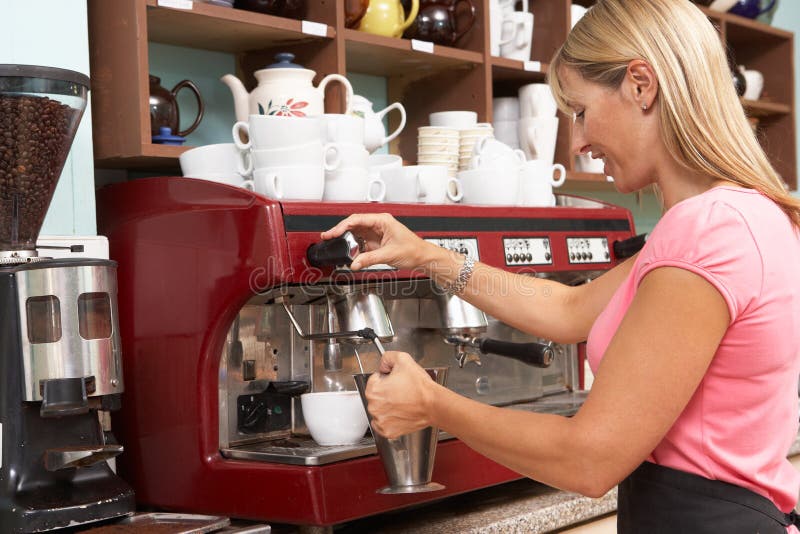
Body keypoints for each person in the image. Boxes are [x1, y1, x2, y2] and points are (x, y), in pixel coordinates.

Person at [321, 0, 800, 531]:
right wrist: (427, 255)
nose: (578, 142)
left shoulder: (708, 230)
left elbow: (591, 459)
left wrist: (432, 405)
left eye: (579, 111)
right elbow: (572, 307)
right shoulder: (744, 213)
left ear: (642, 84)